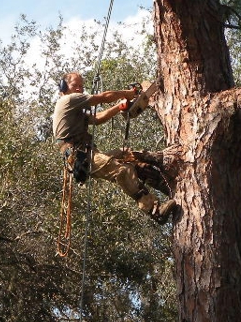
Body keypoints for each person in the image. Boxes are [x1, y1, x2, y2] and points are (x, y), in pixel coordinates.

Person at [52, 72, 176, 224]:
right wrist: (128, 94)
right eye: (75, 86)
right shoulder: (68, 100)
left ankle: (163, 184)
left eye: (81, 86)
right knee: (121, 170)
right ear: (64, 87)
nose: (79, 89)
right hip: (80, 156)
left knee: (128, 155)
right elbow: (103, 97)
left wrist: (119, 107)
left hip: (88, 153)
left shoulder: (74, 109)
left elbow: (97, 118)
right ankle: (154, 211)